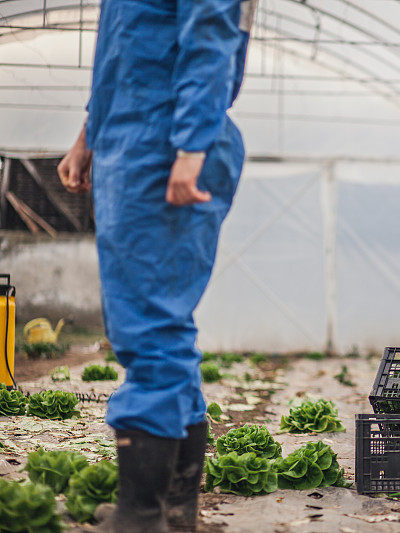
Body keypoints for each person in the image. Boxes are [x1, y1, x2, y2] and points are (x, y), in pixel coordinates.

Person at [58, 1, 255, 531]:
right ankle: (170, 509)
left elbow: (210, 32)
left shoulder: (175, 140)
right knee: (163, 325)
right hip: (132, 135)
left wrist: (189, 148)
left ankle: (141, 515)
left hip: (161, 140)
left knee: (148, 328)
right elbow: (120, 55)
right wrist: (88, 138)